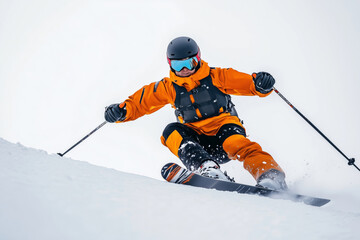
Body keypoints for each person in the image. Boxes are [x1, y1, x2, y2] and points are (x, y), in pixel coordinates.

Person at [105, 36, 287, 190]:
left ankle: (270, 176)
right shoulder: (168, 88)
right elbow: (140, 103)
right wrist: (121, 112)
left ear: (198, 59)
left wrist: (260, 84)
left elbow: (248, 84)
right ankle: (207, 168)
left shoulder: (217, 76)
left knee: (236, 143)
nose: (185, 69)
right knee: (171, 132)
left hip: (224, 129)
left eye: (189, 62)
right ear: (170, 65)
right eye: (178, 65)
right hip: (198, 144)